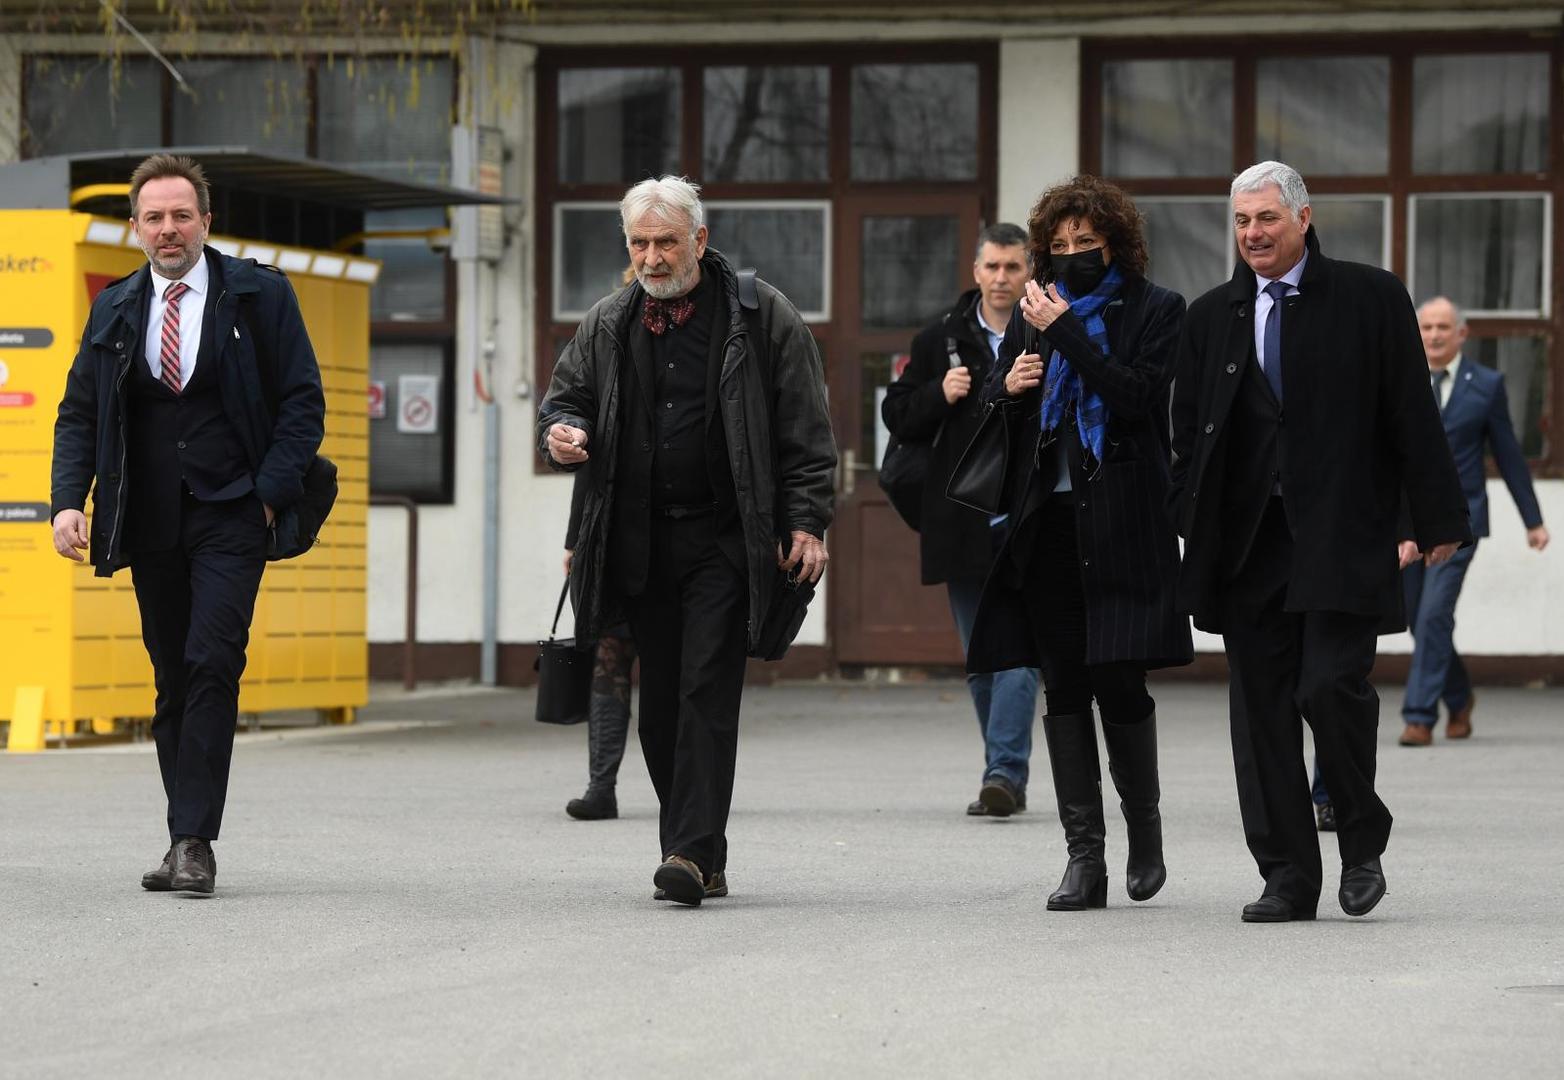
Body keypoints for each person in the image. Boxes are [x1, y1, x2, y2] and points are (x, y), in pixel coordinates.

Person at [1169, 161, 1470, 923]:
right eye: (1241, 222)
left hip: (1342, 534)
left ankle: (1360, 841)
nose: (1252, 234)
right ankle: (1287, 876)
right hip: (1248, 546)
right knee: (1261, 711)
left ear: (1304, 218)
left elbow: (1410, 414)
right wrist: (1186, 517)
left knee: (1327, 687)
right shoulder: (1212, 317)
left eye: (1266, 218)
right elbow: (1188, 437)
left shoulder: (1370, 298)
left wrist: (1432, 521)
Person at [537, 175, 836, 907]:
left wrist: (808, 518)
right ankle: (700, 846)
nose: (651, 256)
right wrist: (562, 432)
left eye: (665, 242)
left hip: (725, 540)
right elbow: (565, 396)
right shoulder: (609, 320)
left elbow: (805, 427)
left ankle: (689, 854)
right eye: (638, 243)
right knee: (662, 706)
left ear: (699, 241)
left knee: (706, 689)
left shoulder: (762, 318)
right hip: (638, 541)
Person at [50, 153, 326, 896]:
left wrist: (268, 494)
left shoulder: (259, 295)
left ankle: (195, 840)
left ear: (206, 221)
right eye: (154, 218)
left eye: (181, 215)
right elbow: (80, 411)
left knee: (212, 659)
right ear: (135, 228)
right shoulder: (113, 307)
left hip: (234, 510)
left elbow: (303, 402)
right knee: (171, 675)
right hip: (149, 517)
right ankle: (181, 834)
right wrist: (70, 500)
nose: (168, 229)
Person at [967, 176, 1192, 910]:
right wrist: (1012, 385)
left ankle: (1145, 831)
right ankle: (1083, 859)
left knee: (1121, 682)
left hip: (1124, 524)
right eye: (1057, 248)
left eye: (1085, 246)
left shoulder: (1158, 311)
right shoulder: (1036, 315)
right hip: (1049, 524)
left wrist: (1062, 330)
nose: (1070, 257)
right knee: (1062, 686)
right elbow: (1007, 411)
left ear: (1116, 245)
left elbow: (1136, 398)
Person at [881, 223, 1040, 818]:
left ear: (1030, 273)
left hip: (1026, 512)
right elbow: (897, 415)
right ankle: (1002, 768)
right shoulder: (939, 339)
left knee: (1021, 650)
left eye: (1014, 268)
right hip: (962, 517)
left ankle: (1003, 772)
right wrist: (938, 395)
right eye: (993, 267)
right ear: (976, 272)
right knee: (981, 655)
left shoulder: (1046, 331)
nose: (1002, 279)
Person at [1394, 296, 1549, 746]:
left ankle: (1420, 716)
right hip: (1407, 524)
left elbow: (1510, 456)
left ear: (1461, 334)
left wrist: (1532, 520)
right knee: (1415, 618)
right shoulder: (1400, 382)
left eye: (1444, 327)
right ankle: (1459, 697)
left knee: (1434, 613)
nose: (1435, 335)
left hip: (1459, 524)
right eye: (1426, 328)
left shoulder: (1486, 384)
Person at [561, 470, 638, 821]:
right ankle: (601, 788)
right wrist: (576, 540)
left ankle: (688, 793)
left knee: (677, 667)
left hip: (687, 541)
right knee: (609, 658)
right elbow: (590, 460)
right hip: (615, 541)